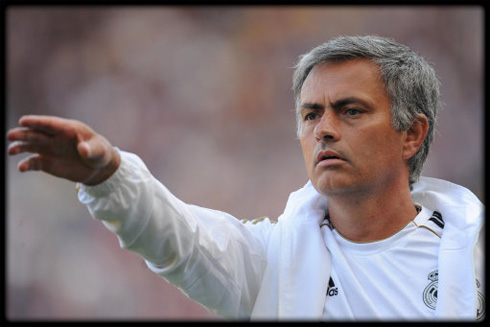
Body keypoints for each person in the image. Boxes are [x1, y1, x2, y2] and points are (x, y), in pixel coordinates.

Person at [7, 35, 484, 321]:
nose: (324, 130)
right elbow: (181, 241)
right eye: (310, 114)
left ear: (411, 134)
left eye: (351, 111)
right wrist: (109, 176)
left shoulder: (472, 251)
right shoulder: (273, 260)